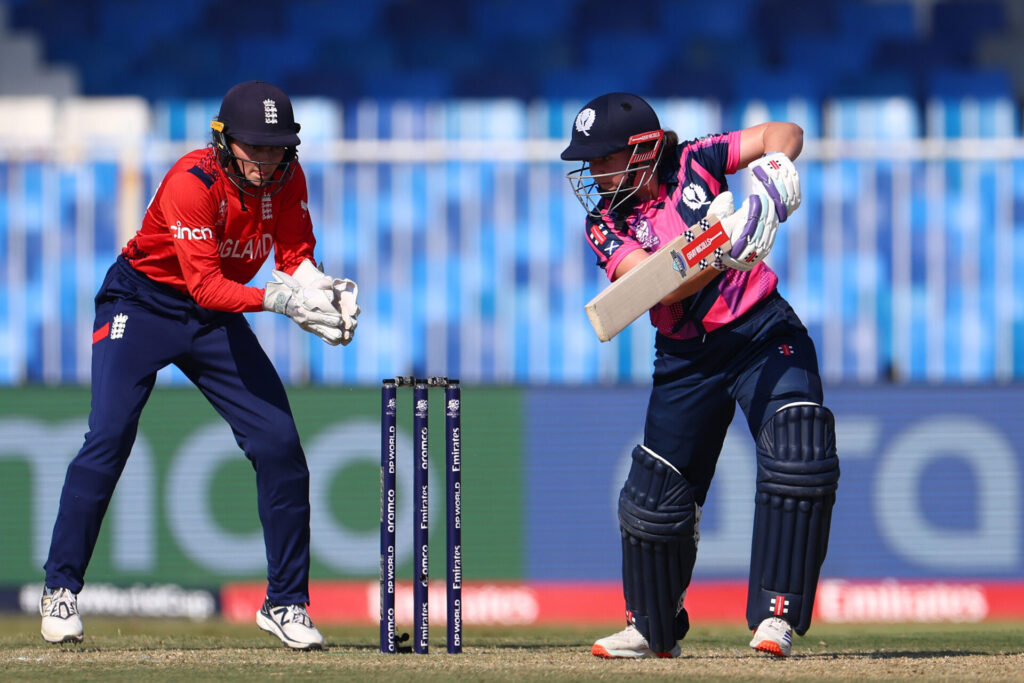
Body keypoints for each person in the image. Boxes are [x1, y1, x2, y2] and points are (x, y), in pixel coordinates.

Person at [38, 81, 360, 650]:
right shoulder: (193, 182)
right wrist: (280, 301)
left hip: (213, 316)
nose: (265, 161)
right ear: (224, 139)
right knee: (108, 435)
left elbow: (294, 257)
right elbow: (206, 284)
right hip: (143, 303)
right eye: (253, 148)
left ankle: (286, 602)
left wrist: (323, 287)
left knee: (279, 442)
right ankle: (60, 589)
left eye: (276, 147)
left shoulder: (288, 178)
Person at [561, 92, 839, 659]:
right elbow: (649, 285)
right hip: (686, 358)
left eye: (600, 158)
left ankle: (776, 616)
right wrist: (718, 243)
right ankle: (651, 627)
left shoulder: (697, 161)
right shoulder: (604, 222)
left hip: (762, 331)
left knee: (799, 448)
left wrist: (769, 184)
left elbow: (783, 131)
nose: (591, 172)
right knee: (654, 501)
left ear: (640, 151)